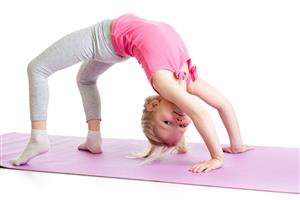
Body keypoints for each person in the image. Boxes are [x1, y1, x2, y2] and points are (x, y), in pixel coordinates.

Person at [13, 14, 253, 173]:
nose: (179, 121)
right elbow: (223, 105)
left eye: (167, 122)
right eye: (180, 126)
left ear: (153, 106)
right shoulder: (188, 83)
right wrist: (236, 145)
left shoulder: (165, 82)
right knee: (85, 80)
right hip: (117, 47)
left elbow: (200, 112)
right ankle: (94, 139)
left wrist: (216, 158)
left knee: (37, 69)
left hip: (104, 38)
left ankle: (38, 137)